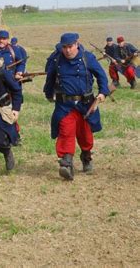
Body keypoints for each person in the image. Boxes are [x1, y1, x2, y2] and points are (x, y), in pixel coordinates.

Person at [44, 33, 109, 181]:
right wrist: (48, 93)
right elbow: (50, 78)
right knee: (66, 132)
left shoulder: (88, 58)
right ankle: (66, 163)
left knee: (85, 135)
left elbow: (101, 76)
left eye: (70, 46)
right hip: (65, 105)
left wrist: (103, 92)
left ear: (77, 44)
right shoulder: (57, 60)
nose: (67, 50)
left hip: (86, 105)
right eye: (65, 47)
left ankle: (86, 156)